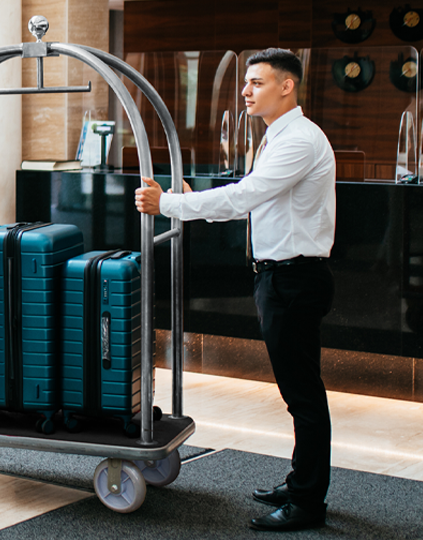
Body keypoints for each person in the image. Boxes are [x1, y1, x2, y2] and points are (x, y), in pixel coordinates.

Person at [135, 48, 337, 532]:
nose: (245, 91)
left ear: (286, 86)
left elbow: (245, 196)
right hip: (280, 276)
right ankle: (301, 481)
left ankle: (308, 502)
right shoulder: (279, 136)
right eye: (246, 83)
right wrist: (187, 198)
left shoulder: (299, 140)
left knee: (303, 396)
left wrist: (172, 204)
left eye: (256, 83)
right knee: (299, 393)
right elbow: (250, 188)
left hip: (294, 279)